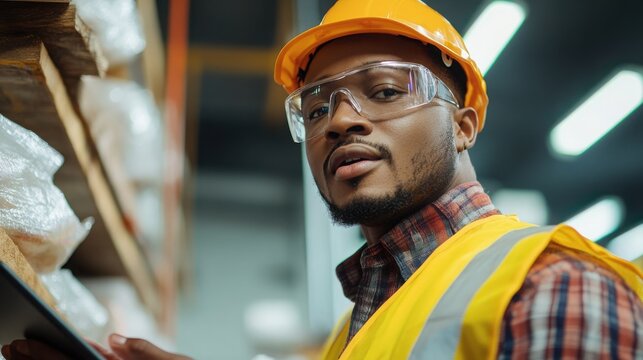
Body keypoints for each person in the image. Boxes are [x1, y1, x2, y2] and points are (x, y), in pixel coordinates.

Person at [3, 0, 642, 359]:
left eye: (385, 90)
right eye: (315, 109)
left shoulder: (551, 287)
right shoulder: (362, 325)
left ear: (465, 124)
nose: (339, 122)